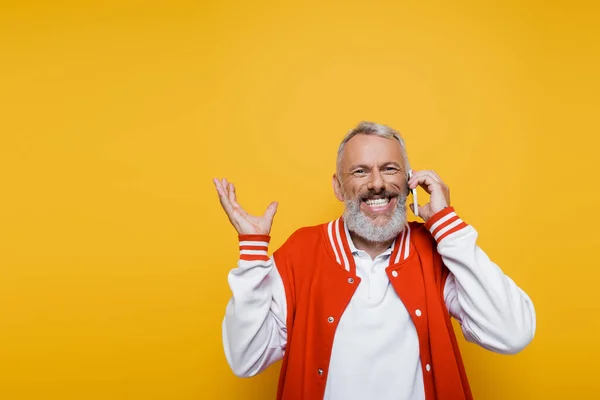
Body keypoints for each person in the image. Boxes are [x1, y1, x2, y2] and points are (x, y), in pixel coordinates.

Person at [213, 121, 536, 400]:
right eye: (360, 171)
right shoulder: (302, 251)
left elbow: (511, 333)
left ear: (410, 182)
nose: (377, 183)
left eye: (390, 168)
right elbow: (246, 359)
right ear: (339, 187)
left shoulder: (434, 249)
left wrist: (446, 225)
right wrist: (253, 253)